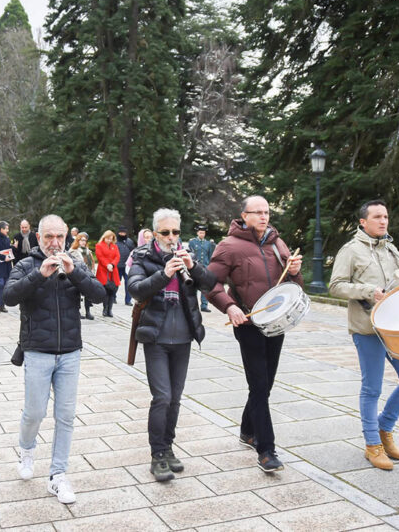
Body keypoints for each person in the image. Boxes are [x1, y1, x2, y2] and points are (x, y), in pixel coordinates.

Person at [4, 214, 105, 504]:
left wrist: (75, 273)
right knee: (34, 412)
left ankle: (58, 476)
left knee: (66, 415)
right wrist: (40, 275)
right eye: (48, 236)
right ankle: (26, 448)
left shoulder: (76, 263)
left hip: (70, 352)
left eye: (59, 236)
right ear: (38, 238)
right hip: (37, 351)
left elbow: (98, 295)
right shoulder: (26, 264)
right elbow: (9, 296)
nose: (54, 242)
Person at [207, 195, 303, 473]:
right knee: (259, 386)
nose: (263, 217)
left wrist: (296, 272)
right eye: (257, 212)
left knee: (266, 384)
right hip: (248, 325)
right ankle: (266, 450)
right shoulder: (228, 246)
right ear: (244, 215)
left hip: (276, 323)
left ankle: (247, 430)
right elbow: (210, 284)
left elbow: (292, 284)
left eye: (267, 212)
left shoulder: (278, 243)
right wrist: (230, 307)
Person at [329, 200, 399, 471]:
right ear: (363, 222)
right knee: (372, 388)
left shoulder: (392, 249)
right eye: (377, 217)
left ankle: (384, 428)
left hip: (396, 328)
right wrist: (369, 291)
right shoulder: (350, 250)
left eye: (386, 216)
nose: (383, 221)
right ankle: (372, 445)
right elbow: (335, 286)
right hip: (367, 329)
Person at [129, 208, 216, 482]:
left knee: (176, 400)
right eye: (165, 232)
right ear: (155, 233)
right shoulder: (142, 256)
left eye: (175, 232)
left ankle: (168, 447)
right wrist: (164, 274)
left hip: (183, 337)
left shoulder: (186, 254)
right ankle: (157, 454)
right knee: (162, 397)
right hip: (155, 337)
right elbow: (135, 288)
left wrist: (192, 267)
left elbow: (211, 284)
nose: (171, 237)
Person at [68, 232, 96, 319]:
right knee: (77, 293)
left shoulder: (88, 251)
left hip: (88, 273)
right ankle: (77, 312)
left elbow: (92, 263)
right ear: (78, 240)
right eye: (82, 240)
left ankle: (88, 312)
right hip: (78, 274)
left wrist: (92, 272)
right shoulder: (73, 251)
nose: (83, 242)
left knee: (88, 292)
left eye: (85, 240)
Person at [189, 225, 216, 312]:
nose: (202, 234)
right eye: (200, 232)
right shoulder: (192, 242)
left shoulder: (208, 243)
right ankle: (193, 305)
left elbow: (210, 256)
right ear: (197, 233)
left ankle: (204, 305)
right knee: (193, 287)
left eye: (203, 233)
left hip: (205, 267)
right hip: (195, 266)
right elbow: (190, 254)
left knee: (205, 287)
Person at [95, 230, 120, 317]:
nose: (109, 240)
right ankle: (105, 309)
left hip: (113, 270)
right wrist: (107, 264)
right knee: (106, 290)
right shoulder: (99, 245)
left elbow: (117, 256)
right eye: (108, 238)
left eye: (111, 239)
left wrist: (112, 264)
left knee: (113, 290)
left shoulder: (115, 246)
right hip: (103, 270)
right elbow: (100, 256)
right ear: (104, 237)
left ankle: (110, 309)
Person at [116, 226, 136, 306]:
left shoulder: (129, 241)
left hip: (127, 266)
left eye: (124, 232)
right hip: (117, 266)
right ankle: (113, 297)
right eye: (121, 232)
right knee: (116, 283)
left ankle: (128, 300)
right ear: (118, 233)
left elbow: (133, 252)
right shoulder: (115, 241)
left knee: (128, 283)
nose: (122, 234)